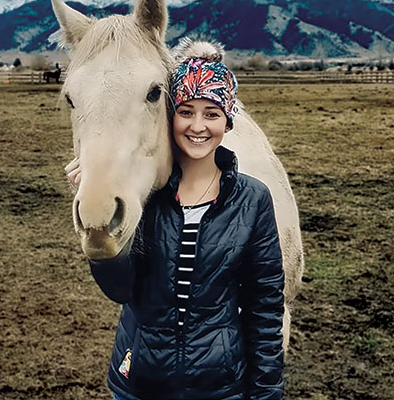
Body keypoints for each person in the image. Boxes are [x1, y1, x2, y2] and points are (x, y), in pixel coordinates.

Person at [66, 53, 284, 400]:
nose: (198, 126)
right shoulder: (145, 198)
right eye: (186, 112)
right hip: (140, 385)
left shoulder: (252, 200)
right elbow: (120, 289)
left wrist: (266, 392)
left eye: (211, 113)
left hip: (220, 388)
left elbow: (265, 308)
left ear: (228, 122)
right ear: (170, 118)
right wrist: (99, 227)